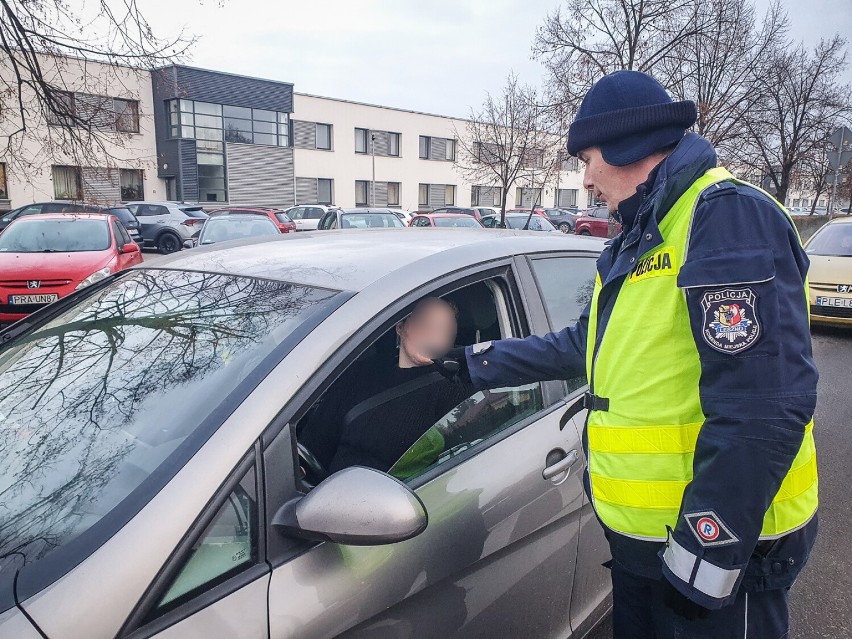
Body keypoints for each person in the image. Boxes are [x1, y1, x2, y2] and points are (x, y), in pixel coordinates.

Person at [432, 70, 818, 638]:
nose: (585, 179)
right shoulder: (642, 236)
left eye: (587, 158)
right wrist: (473, 362)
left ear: (626, 144)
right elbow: (585, 347)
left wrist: (707, 553)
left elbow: (763, 407)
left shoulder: (724, 216)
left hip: (715, 549)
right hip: (645, 544)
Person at [299, 297, 472, 474]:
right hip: (329, 490)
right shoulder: (358, 375)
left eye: (443, 330)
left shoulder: (457, 388)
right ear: (400, 327)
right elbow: (315, 443)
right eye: (424, 325)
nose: (433, 336)